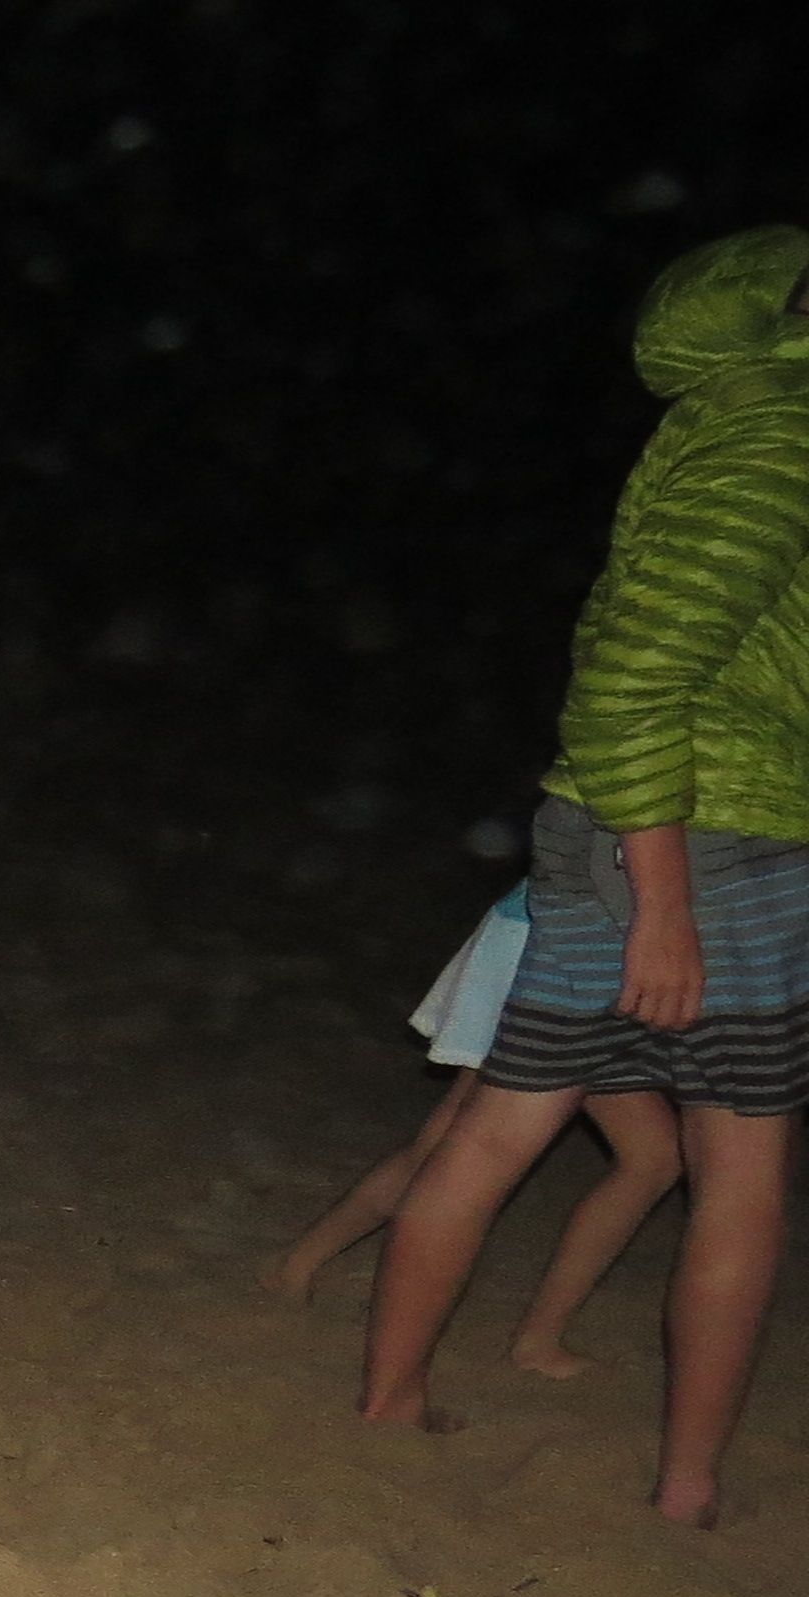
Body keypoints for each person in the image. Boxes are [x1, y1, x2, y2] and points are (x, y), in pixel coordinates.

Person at [358, 226, 809, 1522]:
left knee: (510, 1125)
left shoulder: (737, 416)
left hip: (653, 822)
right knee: (739, 1169)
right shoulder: (781, 430)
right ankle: (685, 1489)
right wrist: (662, 903)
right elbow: (632, 673)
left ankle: (393, 1402)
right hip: (698, 833)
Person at [265, 885, 683, 1375]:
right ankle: (294, 1265)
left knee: (653, 1158)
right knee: (448, 1153)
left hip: (600, 947)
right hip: (554, 941)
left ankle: (538, 1338)